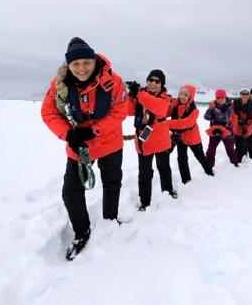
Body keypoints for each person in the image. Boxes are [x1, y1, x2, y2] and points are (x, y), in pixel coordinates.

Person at [41, 37, 127, 260]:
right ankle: (82, 232)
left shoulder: (114, 81)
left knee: (112, 182)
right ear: (68, 65)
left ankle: (110, 220)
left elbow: (120, 111)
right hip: (78, 146)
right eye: (76, 64)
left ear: (93, 60)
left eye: (86, 62)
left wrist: (95, 130)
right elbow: (48, 112)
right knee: (71, 193)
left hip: (109, 142)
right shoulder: (59, 84)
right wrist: (68, 133)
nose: (82, 68)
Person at [127, 69, 177, 211]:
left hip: (160, 139)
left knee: (164, 168)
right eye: (150, 80)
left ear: (162, 84)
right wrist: (131, 96)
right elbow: (128, 111)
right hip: (144, 140)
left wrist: (138, 94)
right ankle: (145, 202)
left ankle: (168, 193)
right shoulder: (140, 95)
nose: (153, 83)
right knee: (144, 173)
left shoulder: (165, 98)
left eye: (157, 81)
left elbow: (159, 109)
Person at [168, 84, 215, 183]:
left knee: (201, 157)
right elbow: (164, 112)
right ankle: (186, 180)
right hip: (180, 137)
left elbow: (186, 123)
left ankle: (210, 173)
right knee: (181, 159)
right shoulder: (175, 106)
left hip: (193, 138)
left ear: (191, 97)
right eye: (181, 94)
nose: (182, 97)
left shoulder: (195, 111)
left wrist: (167, 124)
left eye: (186, 95)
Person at [204, 89, 239, 167]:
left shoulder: (230, 106)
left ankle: (235, 164)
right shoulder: (213, 105)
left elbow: (224, 118)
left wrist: (214, 109)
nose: (220, 99)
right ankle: (209, 166)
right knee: (211, 150)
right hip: (214, 132)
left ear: (225, 97)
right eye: (218, 97)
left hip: (227, 132)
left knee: (230, 150)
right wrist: (210, 109)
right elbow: (206, 117)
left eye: (222, 97)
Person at [231, 88, 252, 161]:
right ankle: (238, 162)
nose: (245, 95)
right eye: (243, 94)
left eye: (246, 94)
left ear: (249, 95)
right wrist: (237, 120)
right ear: (240, 95)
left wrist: (250, 121)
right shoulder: (234, 103)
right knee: (239, 147)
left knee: (251, 146)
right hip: (237, 128)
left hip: (248, 128)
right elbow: (230, 114)